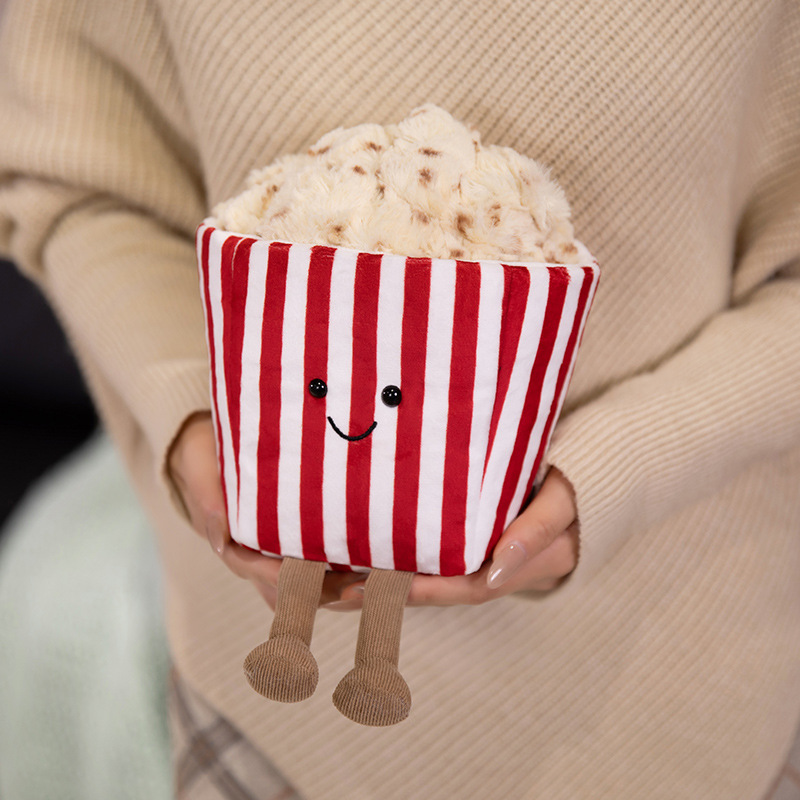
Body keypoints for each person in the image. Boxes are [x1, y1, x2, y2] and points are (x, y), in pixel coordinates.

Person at [0, 0, 798, 797]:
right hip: (263, 713)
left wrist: (632, 461)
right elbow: (79, 179)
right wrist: (191, 409)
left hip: (678, 661)